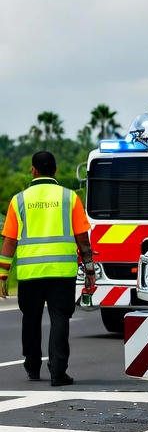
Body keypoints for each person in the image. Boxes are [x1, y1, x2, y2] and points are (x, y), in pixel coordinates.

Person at [0, 151, 97, 385]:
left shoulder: (19, 200)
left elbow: (10, 241)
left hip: (30, 273)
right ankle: (58, 372)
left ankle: (32, 367)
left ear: (33, 170)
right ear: (54, 170)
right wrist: (90, 271)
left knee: (31, 318)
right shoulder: (70, 198)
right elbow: (82, 238)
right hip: (61, 272)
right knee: (60, 319)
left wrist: (2, 274)